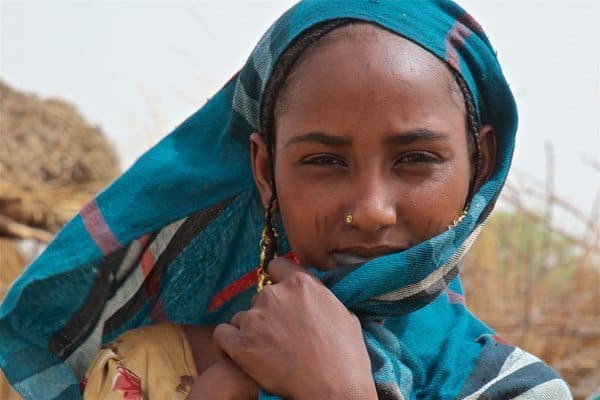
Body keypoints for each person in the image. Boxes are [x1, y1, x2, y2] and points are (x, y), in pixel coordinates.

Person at [0, 1, 572, 399]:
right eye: (325, 161)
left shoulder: (519, 390)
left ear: (481, 164)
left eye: (416, 159)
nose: (371, 209)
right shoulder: (151, 371)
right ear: (265, 171)